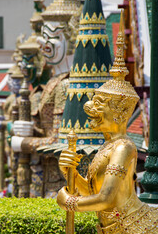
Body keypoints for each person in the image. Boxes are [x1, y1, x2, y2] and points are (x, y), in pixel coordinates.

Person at [57, 13, 158, 233]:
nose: (89, 107)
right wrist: (70, 173)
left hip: (133, 227)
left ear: (120, 112)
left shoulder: (124, 147)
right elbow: (92, 192)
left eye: (100, 103)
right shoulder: (107, 147)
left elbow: (106, 199)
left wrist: (69, 202)